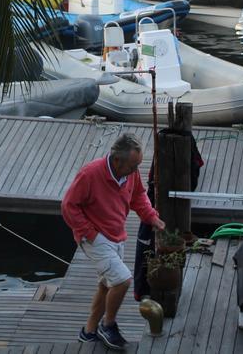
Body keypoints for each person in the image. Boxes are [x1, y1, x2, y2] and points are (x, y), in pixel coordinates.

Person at [62, 133, 165, 349]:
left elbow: (138, 196)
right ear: (117, 160)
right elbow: (69, 206)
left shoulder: (131, 174)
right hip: (95, 237)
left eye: (138, 165)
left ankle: (88, 331)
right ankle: (108, 325)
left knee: (106, 284)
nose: (136, 170)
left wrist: (152, 217)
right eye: (133, 165)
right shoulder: (90, 173)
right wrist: (88, 233)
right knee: (122, 280)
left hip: (116, 234)